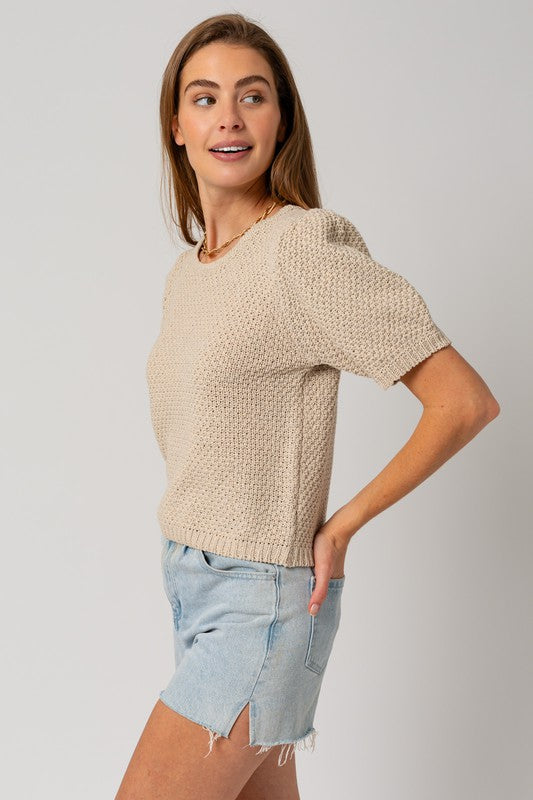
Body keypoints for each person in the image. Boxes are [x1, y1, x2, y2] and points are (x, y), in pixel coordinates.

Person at [114, 12, 500, 800]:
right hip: (193, 590)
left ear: (280, 121)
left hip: (260, 606)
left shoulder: (298, 250)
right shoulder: (190, 272)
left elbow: (461, 401)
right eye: (204, 97)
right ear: (176, 127)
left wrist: (342, 523)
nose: (228, 115)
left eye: (252, 96)